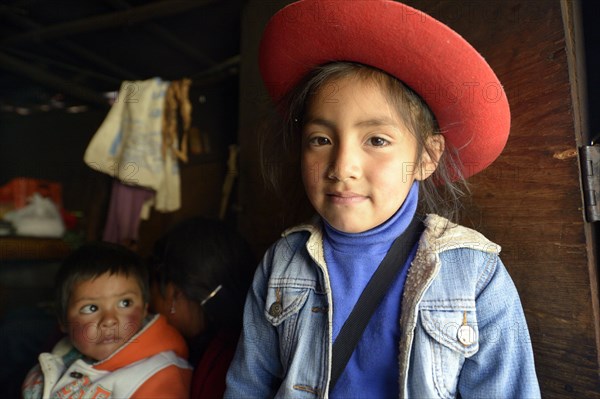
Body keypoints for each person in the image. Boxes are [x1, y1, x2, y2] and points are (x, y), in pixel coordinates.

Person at [225, 1, 541, 398]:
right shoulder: (282, 264)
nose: (342, 167)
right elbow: (245, 386)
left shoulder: (475, 275)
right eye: (321, 140)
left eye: (376, 140)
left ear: (426, 157)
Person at [21, 241, 192, 399]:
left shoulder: (159, 376)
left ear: (145, 309)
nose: (109, 320)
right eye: (91, 308)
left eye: (125, 303)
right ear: (63, 322)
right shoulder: (62, 354)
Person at [148, 217, 255, 399]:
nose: (147, 305)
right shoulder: (240, 346)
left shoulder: (217, 370)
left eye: (152, 288)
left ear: (174, 294)